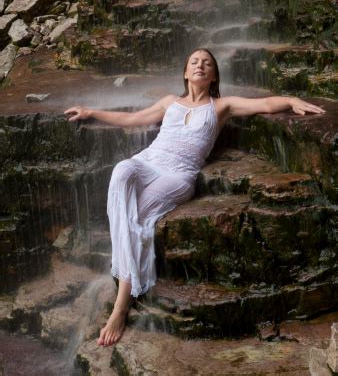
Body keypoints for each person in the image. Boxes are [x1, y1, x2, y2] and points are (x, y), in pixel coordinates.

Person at [64, 48, 325, 346]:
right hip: (149, 161)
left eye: (207, 63)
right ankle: (126, 287)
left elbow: (263, 103)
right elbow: (133, 119)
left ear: (213, 76)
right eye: (194, 62)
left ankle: (120, 307)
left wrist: (290, 100)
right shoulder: (169, 103)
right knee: (122, 170)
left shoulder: (221, 106)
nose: (200, 65)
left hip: (178, 175)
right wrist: (91, 112)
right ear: (186, 73)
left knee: (138, 217)